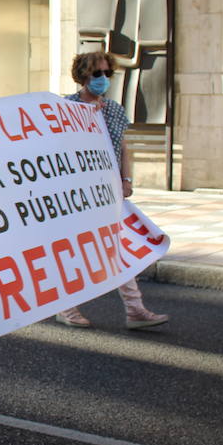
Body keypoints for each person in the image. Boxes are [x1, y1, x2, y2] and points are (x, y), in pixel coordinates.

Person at [56, 51, 169, 331]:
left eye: (107, 73)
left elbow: (122, 148)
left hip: (107, 194)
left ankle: (135, 309)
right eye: (97, 74)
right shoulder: (66, 108)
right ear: (83, 75)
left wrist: (126, 178)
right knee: (78, 248)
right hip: (77, 195)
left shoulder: (115, 110)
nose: (103, 79)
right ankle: (66, 307)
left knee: (116, 246)